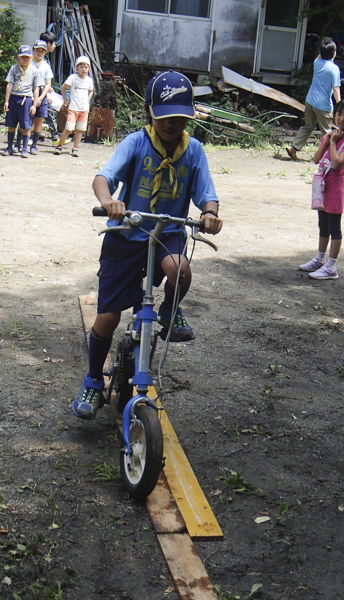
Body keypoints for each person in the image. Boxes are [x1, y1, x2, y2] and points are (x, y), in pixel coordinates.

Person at [72, 70, 223, 420]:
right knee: (107, 317)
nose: (172, 123)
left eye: (180, 117)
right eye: (165, 115)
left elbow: (207, 195)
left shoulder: (194, 151)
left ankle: (169, 311)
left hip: (166, 233)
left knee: (181, 269)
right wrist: (110, 200)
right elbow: (102, 177)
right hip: (126, 236)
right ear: (149, 112)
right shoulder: (137, 143)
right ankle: (94, 378)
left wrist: (211, 214)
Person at [298, 98, 344, 280]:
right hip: (322, 187)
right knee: (322, 224)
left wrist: (333, 143)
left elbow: (338, 163)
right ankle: (320, 258)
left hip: (336, 189)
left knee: (334, 227)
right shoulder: (329, 136)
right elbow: (316, 159)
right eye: (339, 114)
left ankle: (331, 266)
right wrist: (327, 141)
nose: (342, 118)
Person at [286, 38, 341, 160]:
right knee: (327, 132)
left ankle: (293, 148)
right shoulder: (334, 69)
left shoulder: (317, 62)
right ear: (334, 53)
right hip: (323, 105)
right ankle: (330, 156)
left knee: (307, 127)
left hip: (310, 101)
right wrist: (340, 104)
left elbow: (319, 56)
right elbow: (336, 89)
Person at [2, 45, 39, 158]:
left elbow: (36, 88)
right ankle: (9, 147)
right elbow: (10, 84)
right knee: (11, 124)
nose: (25, 59)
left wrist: (34, 105)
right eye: (23, 57)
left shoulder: (34, 71)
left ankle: (24, 149)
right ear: (18, 57)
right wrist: (7, 101)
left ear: (31, 57)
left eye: (27, 57)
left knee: (26, 125)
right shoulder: (14, 68)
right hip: (14, 98)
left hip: (26, 99)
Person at [53, 55, 94, 157]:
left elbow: (91, 91)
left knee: (79, 130)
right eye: (81, 67)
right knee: (69, 128)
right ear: (77, 67)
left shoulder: (89, 80)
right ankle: (59, 146)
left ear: (88, 68)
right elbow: (63, 88)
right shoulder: (73, 78)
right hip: (73, 108)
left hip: (84, 109)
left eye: (86, 67)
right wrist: (66, 100)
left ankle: (75, 148)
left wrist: (88, 99)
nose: (84, 69)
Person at [39, 31, 59, 143]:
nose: (55, 46)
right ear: (47, 44)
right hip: (40, 91)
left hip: (43, 90)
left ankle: (31, 133)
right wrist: (46, 93)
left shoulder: (45, 57)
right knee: (49, 112)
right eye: (54, 43)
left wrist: (49, 87)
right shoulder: (42, 59)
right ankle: (55, 137)